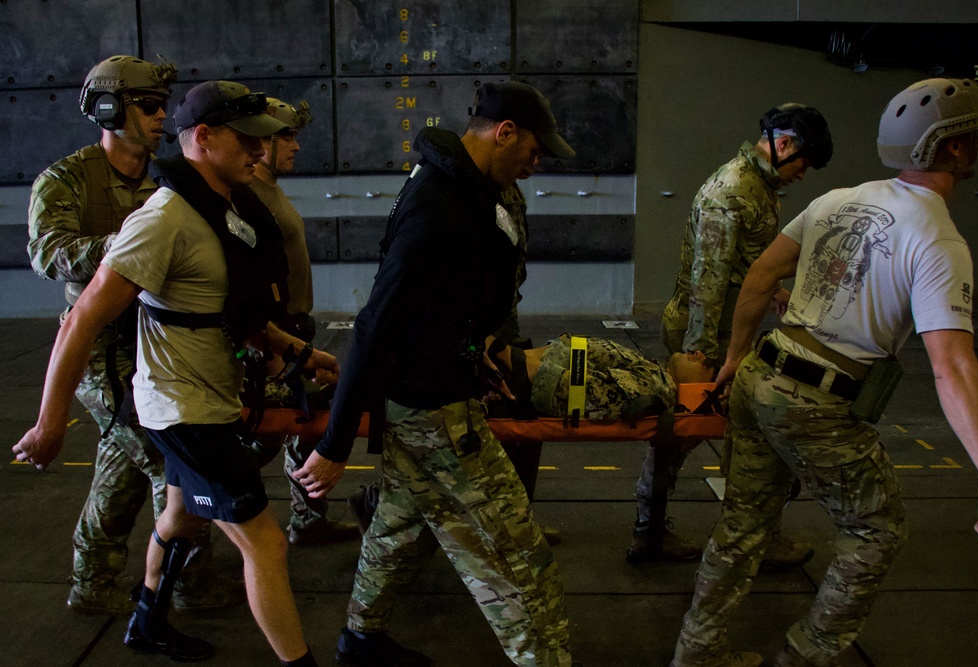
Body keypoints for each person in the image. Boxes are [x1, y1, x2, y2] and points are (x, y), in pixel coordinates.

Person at [671, 76, 978, 667]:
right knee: (878, 532)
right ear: (954, 148)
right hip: (815, 403)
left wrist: (735, 360)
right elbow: (951, 365)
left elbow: (757, 278)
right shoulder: (938, 238)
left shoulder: (835, 199)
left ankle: (696, 653)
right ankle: (803, 657)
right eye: (973, 135)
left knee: (743, 524)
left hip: (760, 376)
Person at [15, 80, 340, 667]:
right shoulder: (164, 218)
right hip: (182, 409)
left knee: (180, 514)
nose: (260, 151)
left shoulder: (225, 211)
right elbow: (81, 320)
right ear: (204, 138)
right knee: (265, 543)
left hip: (209, 395)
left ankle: (146, 623)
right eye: (247, 140)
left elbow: (225, 308)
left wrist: (294, 351)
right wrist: (49, 425)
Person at [294, 81, 577, 666]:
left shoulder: (461, 189)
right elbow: (376, 321)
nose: (537, 160)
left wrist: (476, 356)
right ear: (504, 132)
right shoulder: (440, 205)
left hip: (432, 394)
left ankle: (361, 638)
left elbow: (445, 304)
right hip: (434, 411)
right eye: (533, 147)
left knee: (400, 524)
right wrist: (334, 444)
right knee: (517, 556)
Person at [26, 55, 239, 615]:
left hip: (150, 340)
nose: (160, 117)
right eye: (147, 106)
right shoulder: (67, 179)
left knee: (124, 460)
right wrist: (134, 246)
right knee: (164, 455)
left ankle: (92, 579)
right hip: (96, 348)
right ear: (107, 108)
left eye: (163, 107)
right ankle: (190, 581)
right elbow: (50, 254)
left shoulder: (162, 178)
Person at [630, 104, 833, 567]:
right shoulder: (734, 192)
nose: (804, 175)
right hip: (705, 334)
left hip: (721, 329)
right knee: (711, 433)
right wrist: (704, 357)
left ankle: (653, 531)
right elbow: (708, 282)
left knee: (686, 435)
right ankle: (743, 537)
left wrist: (776, 292)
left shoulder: (760, 186)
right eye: (804, 164)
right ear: (784, 147)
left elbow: (746, 260)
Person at [249, 96, 358, 546]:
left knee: (303, 426)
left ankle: (308, 520)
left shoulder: (270, 189)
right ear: (260, 142)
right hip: (270, 339)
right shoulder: (248, 195)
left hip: (294, 329)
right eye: (286, 136)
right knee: (260, 438)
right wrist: (272, 351)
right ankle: (211, 517)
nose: (295, 146)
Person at [486, 334, 716, 420]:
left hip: (510, 373)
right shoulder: (653, 373)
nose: (700, 354)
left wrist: (499, 351)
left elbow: (563, 386)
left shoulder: (656, 386)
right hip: (508, 364)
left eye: (707, 365)